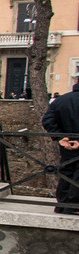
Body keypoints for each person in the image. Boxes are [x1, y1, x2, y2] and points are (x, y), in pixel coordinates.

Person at [41, 79, 79, 214]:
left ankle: (62, 204)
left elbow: (48, 120)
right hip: (74, 142)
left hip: (66, 143)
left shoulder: (61, 100)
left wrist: (61, 137)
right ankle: (73, 206)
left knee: (67, 171)